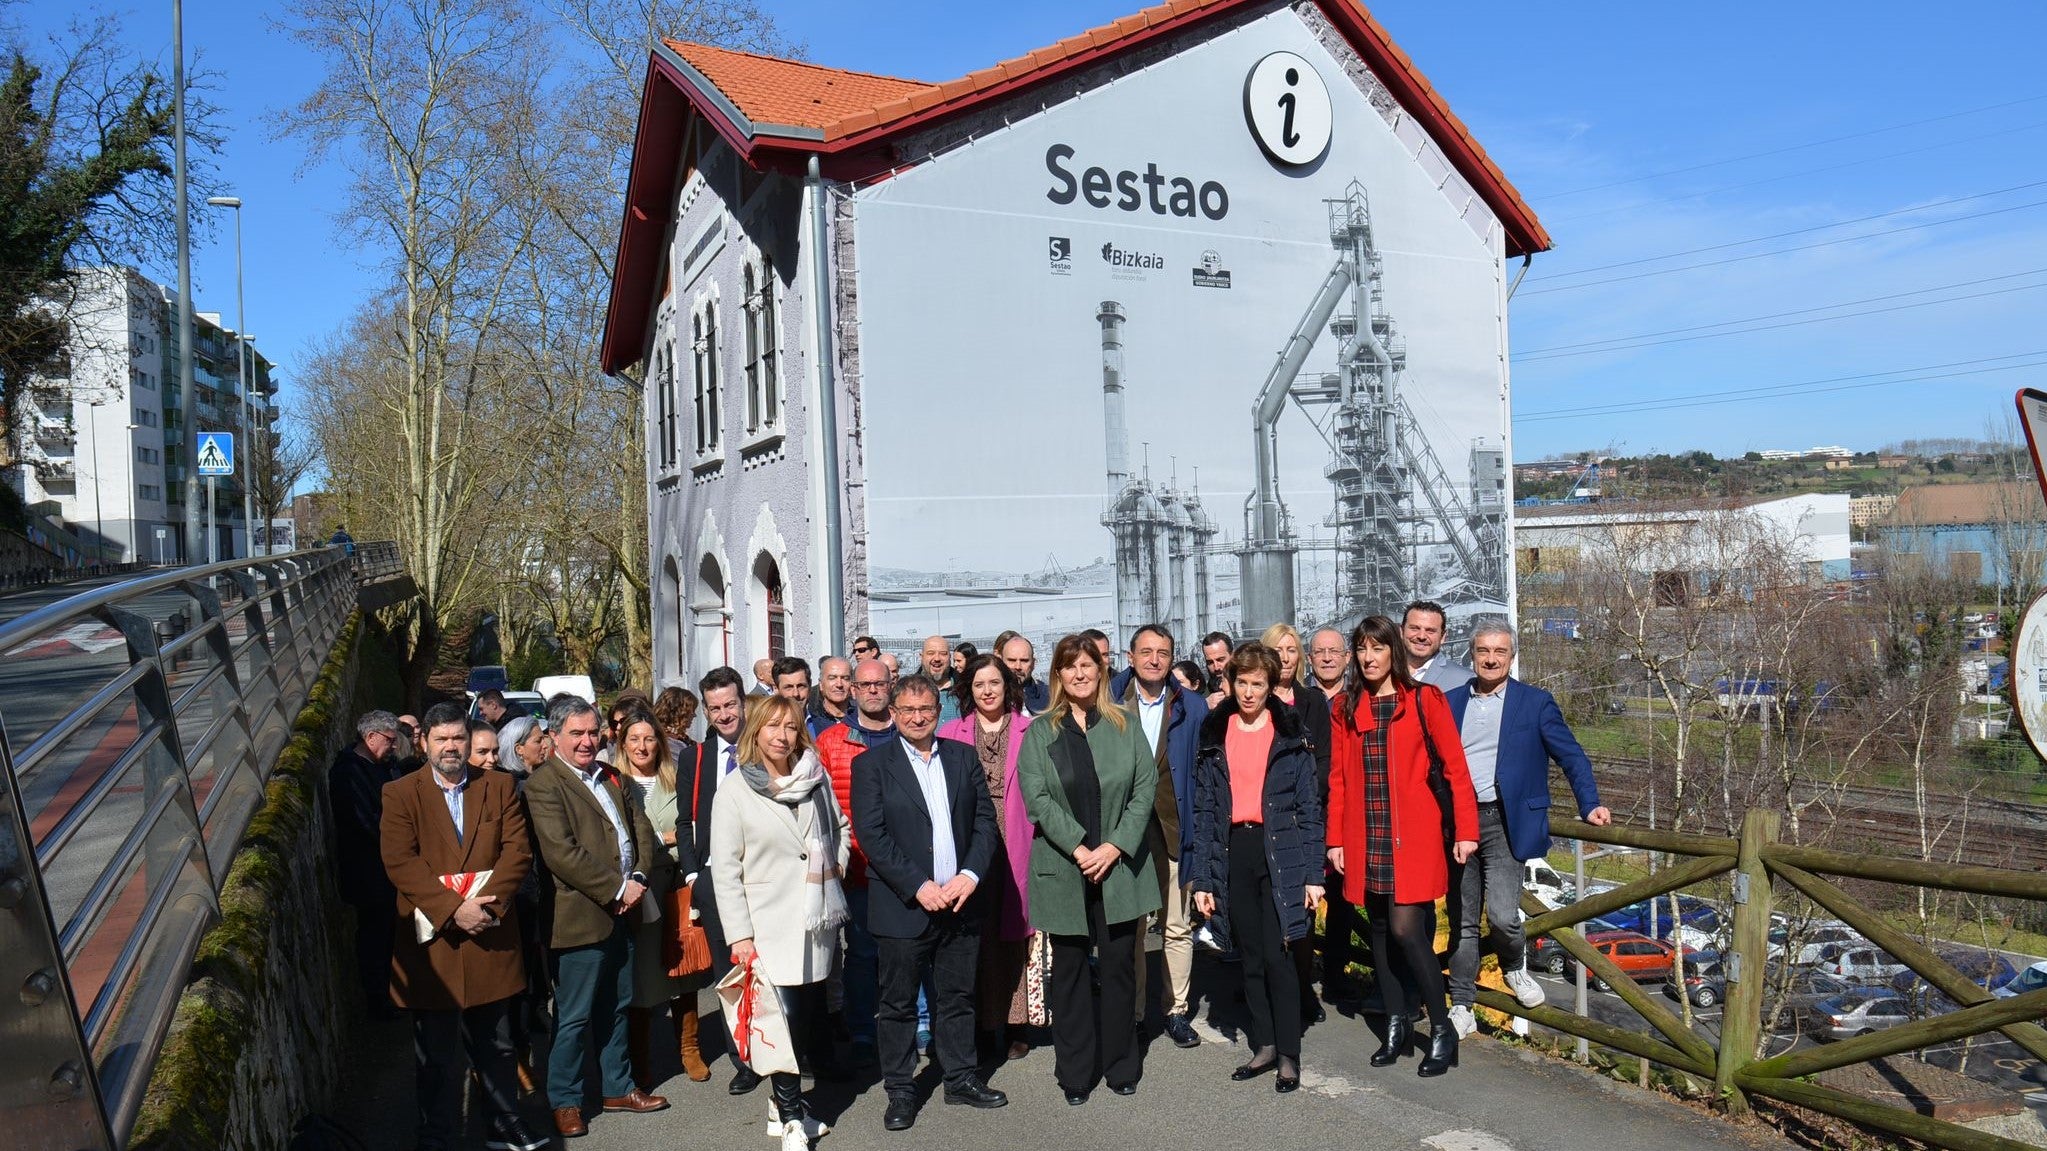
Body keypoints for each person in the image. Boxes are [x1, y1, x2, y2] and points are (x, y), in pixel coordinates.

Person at [380, 703, 542, 1151]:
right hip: (434, 943)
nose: (452, 747)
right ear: (424, 742)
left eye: (458, 738)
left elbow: (518, 852)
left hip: (490, 933)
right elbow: (400, 862)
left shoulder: (500, 786)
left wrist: (486, 909)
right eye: (442, 739)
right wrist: (455, 910)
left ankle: (504, 1123)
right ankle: (436, 1134)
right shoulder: (400, 794)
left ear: (469, 742)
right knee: (435, 1054)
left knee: (499, 1044)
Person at [1441, 624, 1612, 1040]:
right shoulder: (1449, 703)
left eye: (1500, 651)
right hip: (1459, 822)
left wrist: (1589, 803)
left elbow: (1571, 755)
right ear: (1472, 654)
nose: (1491, 658)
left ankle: (1514, 967)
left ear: (1512, 656)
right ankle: (1461, 1004)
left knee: (1501, 915)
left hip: (1506, 822)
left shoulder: (1535, 703)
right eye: (1483, 650)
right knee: (1463, 920)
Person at [1327, 616, 1479, 1078]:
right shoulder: (1346, 708)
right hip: (1364, 832)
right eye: (1361, 650)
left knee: (1406, 931)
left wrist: (1467, 829)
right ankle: (1395, 1022)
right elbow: (1338, 780)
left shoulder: (1422, 699)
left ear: (1393, 651)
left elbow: (1456, 769)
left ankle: (1439, 1028)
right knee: (1377, 929)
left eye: (1377, 649)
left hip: (1410, 834)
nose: (1368, 658)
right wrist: (1335, 838)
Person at [853, 674, 1007, 1129]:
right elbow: (872, 837)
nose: (918, 718)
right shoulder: (872, 766)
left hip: (960, 903)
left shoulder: (962, 757)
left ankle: (960, 1078)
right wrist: (919, 886)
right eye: (908, 711)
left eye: (926, 710)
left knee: (958, 997)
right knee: (898, 1003)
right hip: (906, 906)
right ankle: (901, 1090)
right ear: (894, 714)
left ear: (938, 713)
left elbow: (984, 820)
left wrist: (970, 875)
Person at [1016, 635, 1160, 1104]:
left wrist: (1115, 846)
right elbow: (1036, 798)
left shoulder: (1125, 725)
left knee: (1119, 969)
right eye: (1069, 666)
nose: (1079, 673)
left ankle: (1121, 1064)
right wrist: (1081, 848)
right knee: (1071, 971)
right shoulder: (1042, 732)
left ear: (1102, 670)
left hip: (1120, 869)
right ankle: (1076, 1072)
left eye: (1088, 665)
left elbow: (1144, 789)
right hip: (1064, 866)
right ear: (1058, 675)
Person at [524, 696, 669, 1138]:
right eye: (576, 733)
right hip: (579, 917)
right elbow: (561, 853)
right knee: (574, 1016)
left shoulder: (611, 776)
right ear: (554, 737)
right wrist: (617, 888)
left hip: (623, 911)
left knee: (617, 1006)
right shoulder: (543, 785)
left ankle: (617, 1087)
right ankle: (565, 1100)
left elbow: (639, 826)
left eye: (593, 732)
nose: (588, 741)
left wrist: (639, 874)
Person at [710, 695, 850, 1150]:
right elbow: (726, 871)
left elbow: (841, 828)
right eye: (772, 726)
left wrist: (836, 864)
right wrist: (741, 937)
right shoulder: (734, 790)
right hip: (767, 926)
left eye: (790, 727)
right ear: (756, 731)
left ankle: (780, 1106)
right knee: (782, 1023)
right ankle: (791, 1119)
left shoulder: (814, 776)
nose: (781, 736)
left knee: (807, 1018)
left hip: (816, 919)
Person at [1185, 644, 1323, 1093]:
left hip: (1278, 851)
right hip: (1232, 851)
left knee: (1279, 955)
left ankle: (1288, 1054)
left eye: (1257, 684)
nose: (1248, 692)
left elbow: (1309, 807)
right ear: (1230, 682)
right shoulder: (1214, 732)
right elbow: (1205, 811)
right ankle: (1262, 1044)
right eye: (1240, 682)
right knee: (1247, 957)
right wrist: (1203, 879)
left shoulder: (1289, 733)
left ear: (1271, 685)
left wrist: (1313, 875)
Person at [1108, 623, 1209, 1048]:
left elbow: (1203, 776)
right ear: (1129, 657)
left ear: (1171, 659)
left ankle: (1176, 1011)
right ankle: (1133, 1013)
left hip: (1173, 827)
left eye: (1162, 653)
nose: (1154, 659)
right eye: (1145, 651)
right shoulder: (1108, 702)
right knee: (1129, 928)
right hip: (1123, 833)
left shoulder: (1193, 707)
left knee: (1176, 923)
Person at [938, 654, 1036, 1063]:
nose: (988, 691)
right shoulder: (951, 732)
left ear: (1007, 686)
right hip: (971, 843)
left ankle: (1016, 1025)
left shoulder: (1031, 730)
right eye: (979, 684)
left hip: (1018, 839)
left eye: (994, 682)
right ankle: (980, 1024)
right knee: (974, 937)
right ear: (968, 689)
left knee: (1013, 936)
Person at [614, 707, 710, 1085]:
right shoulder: (615, 782)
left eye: (649, 738)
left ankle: (690, 1049)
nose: (642, 746)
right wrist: (664, 840)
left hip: (677, 884)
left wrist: (667, 840)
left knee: (684, 969)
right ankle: (640, 1061)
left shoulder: (675, 777)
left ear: (660, 742)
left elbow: (692, 827)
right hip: (640, 890)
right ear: (623, 743)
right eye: (634, 739)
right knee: (643, 975)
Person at [811, 658, 898, 1066]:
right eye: (865, 685)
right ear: (855, 691)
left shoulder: (908, 734)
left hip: (908, 867)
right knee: (862, 954)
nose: (874, 690)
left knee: (909, 951)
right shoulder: (830, 742)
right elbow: (822, 811)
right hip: (859, 867)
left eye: (881, 683)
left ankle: (917, 1025)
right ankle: (863, 1029)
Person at [674, 666, 756, 1093]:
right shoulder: (697, 757)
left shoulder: (766, 746)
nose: (724, 715)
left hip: (762, 877)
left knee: (769, 966)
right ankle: (743, 1058)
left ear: (743, 703)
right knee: (729, 973)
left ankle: (781, 1050)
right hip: (713, 881)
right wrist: (693, 873)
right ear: (705, 711)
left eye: (730, 705)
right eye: (715, 708)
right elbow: (685, 820)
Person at [333, 710, 406, 1019]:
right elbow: (363, 821)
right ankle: (377, 999)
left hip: (385, 869)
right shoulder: (348, 773)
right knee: (375, 937)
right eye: (390, 741)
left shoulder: (383, 766)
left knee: (388, 934)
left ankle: (389, 992)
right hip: (368, 872)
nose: (393, 747)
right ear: (371, 737)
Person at [1403, 600, 1472, 691]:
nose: (1421, 636)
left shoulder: (1466, 680)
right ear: (1401, 631)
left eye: (1430, 631)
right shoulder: (1383, 673)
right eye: (1414, 628)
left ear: (1442, 637)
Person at [1000, 633, 1050, 714]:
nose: (1018, 667)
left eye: (1024, 661)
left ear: (1033, 664)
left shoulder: (1050, 698)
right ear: (1001, 662)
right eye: (1012, 660)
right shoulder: (990, 696)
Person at [919, 636, 960, 723]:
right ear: (921, 657)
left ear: (949, 657)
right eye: (931, 653)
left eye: (943, 653)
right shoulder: (909, 690)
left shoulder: (965, 689)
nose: (937, 658)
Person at [809, 656, 853, 735]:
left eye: (845, 678)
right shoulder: (810, 721)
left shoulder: (862, 720)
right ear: (821, 684)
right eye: (832, 678)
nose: (839, 684)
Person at [654, 686, 699, 759]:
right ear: (680, 712)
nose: (694, 715)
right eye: (692, 710)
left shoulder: (680, 738)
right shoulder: (668, 743)